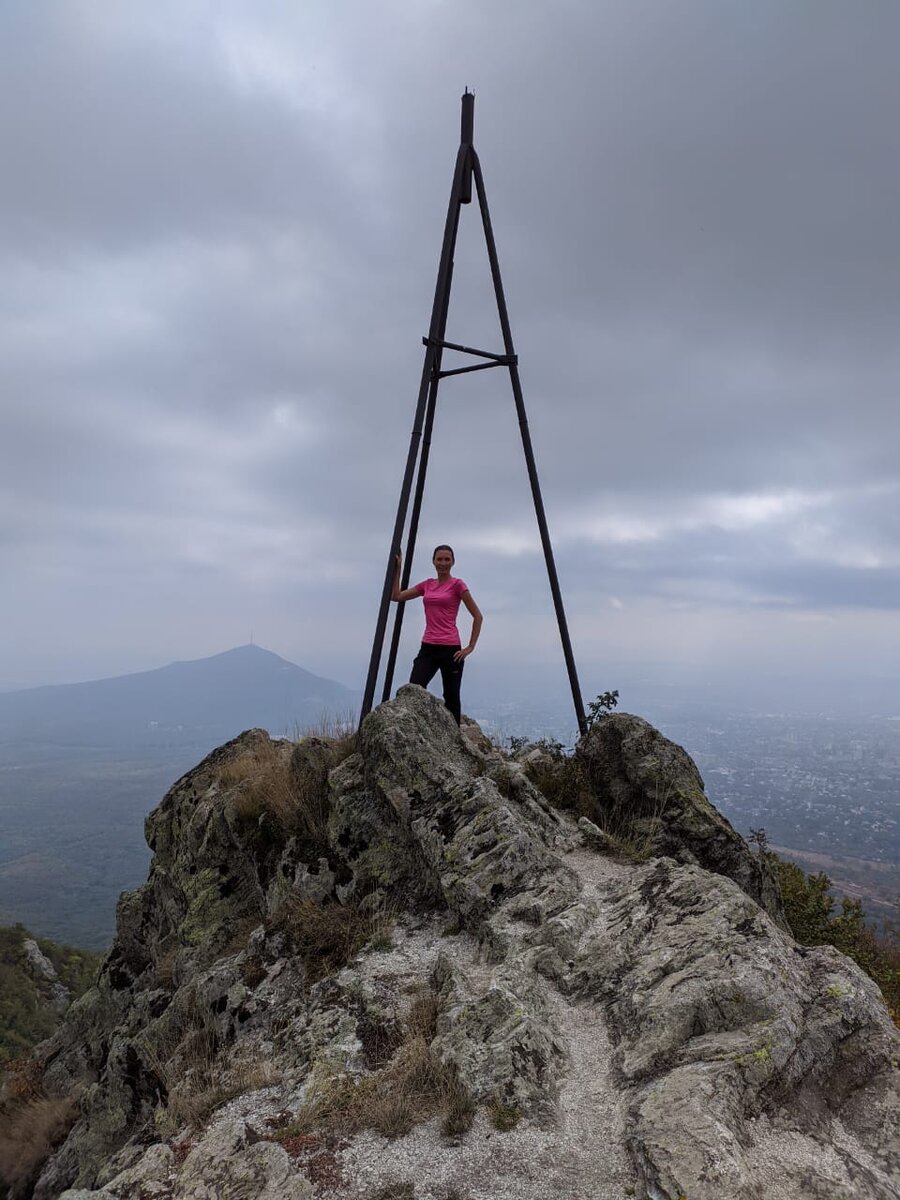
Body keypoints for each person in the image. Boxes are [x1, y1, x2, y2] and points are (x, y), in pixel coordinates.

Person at [391, 544, 483, 725]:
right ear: (433, 561)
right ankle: (417, 731)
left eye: (447, 559)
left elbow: (478, 616)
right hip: (428, 647)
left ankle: (455, 744)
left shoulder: (458, 585)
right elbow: (397, 596)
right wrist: (398, 568)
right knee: (413, 689)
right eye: (439, 559)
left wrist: (470, 647)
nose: (443, 563)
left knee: (451, 697)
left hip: (451, 650)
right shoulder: (427, 585)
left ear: (453, 562)